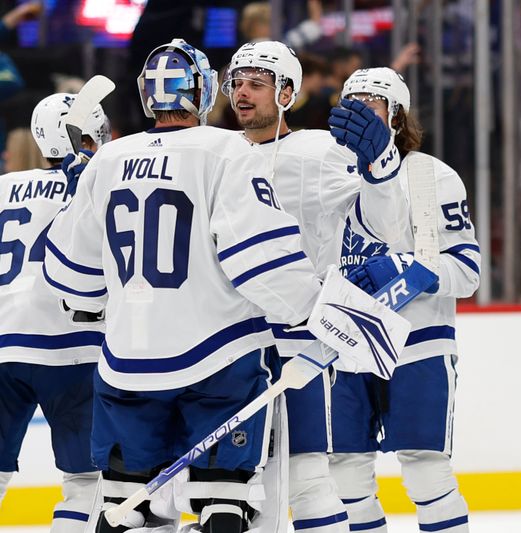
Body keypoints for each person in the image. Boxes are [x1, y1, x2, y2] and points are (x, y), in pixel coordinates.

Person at [44, 39, 323, 533]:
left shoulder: (107, 162)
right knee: (222, 499)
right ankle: (220, 508)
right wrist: (314, 308)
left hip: (127, 362)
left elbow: (70, 276)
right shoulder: (227, 150)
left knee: (124, 504)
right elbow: (260, 261)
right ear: (206, 90)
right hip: (218, 360)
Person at [223, 40, 407, 533]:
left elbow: (387, 228)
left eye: (256, 84)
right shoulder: (215, 155)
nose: (242, 93)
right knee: (234, 485)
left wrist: (381, 169)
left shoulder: (320, 153)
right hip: (227, 349)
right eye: (236, 82)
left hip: (298, 342)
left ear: (287, 92)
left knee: (307, 477)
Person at [328, 67, 481, 533]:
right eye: (351, 102)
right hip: (345, 343)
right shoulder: (326, 172)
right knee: (345, 476)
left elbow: (467, 272)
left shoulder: (432, 176)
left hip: (418, 344)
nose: (359, 111)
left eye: (371, 103)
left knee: (424, 472)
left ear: (396, 115)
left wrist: (411, 270)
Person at [0, 93, 109, 532]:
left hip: (3, 340)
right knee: (84, 480)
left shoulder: (3, 186)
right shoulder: (96, 182)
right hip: (71, 347)